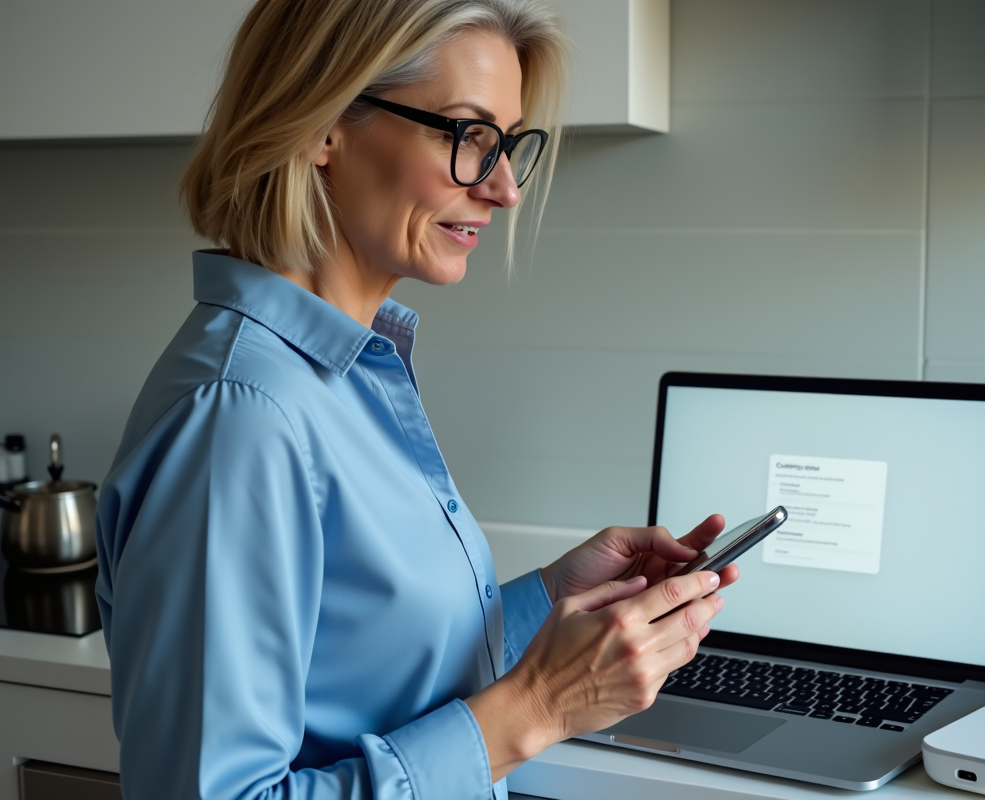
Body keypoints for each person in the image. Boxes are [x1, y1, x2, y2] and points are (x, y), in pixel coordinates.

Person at [95, 1, 737, 798]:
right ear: (323, 126)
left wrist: (547, 603)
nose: (503, 188)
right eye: (467, 135)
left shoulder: (344, 373)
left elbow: (366, 666)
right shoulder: (242, 417)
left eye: (507, 144)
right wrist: (540, 705)